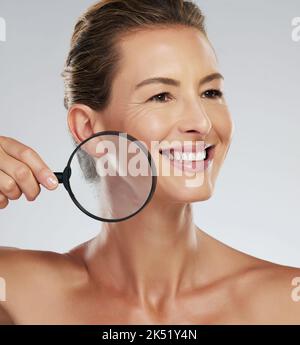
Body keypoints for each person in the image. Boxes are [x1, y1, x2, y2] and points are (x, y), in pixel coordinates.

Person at [0, 0, 299, 325]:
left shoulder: (288, 303)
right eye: (161, 96)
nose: (201, 122)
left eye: (211, 92)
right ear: (88, 129)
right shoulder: (17, 294)